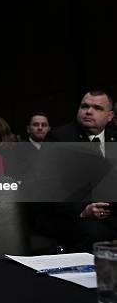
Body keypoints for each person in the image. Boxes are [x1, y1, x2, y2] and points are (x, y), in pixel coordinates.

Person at [35, 90, 117, 252]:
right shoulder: (59, 137)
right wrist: (83, 210)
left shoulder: (114, 137)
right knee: (97, 233)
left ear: (110, 116)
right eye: (84, 106)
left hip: (108, 212)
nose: (88, 111)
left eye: (97, 108)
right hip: (68, 213)